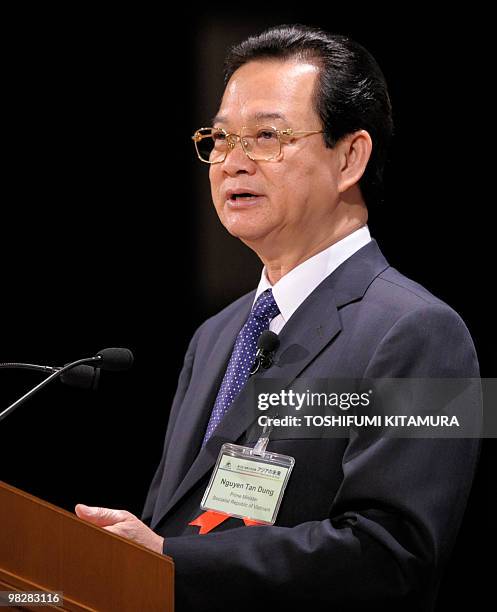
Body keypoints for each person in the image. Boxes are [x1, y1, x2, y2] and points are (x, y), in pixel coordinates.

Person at [75, 24, 480, 610]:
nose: (231, 163)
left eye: (267, 136)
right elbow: (186, 519)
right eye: (220, 138)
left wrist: (169, 561)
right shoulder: (215, 336)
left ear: (350, 157)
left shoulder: (428, 332)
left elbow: (396, 556)